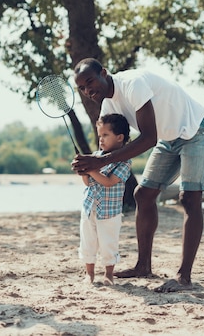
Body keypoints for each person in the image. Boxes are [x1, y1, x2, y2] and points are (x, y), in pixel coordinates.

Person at [71, 58, 204, 293]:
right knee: (144, 195)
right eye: (82, 88)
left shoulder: (132, 84)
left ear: (104, 74)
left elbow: (148, 138)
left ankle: (184, 277)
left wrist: (100, 161)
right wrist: (89, 164)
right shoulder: (108, 107)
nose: (88, 90)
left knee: (190, 198)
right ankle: (143, 266)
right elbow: (112, 149)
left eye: (90, 82)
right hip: (168, 138)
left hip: (196, 130)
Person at [79, 113, 132, 286]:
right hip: (90, 207)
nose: (100, 139)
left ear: (119, 137)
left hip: (110, 212)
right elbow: (88, 182)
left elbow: (109, 182)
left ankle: (109, 274)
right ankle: (90, 274)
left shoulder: (124, 162)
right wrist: (83, 171)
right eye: (99, 135)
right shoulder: (95, 156)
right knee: (88, 241)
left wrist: (92, 168)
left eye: (105, 135)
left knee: (108, 243)